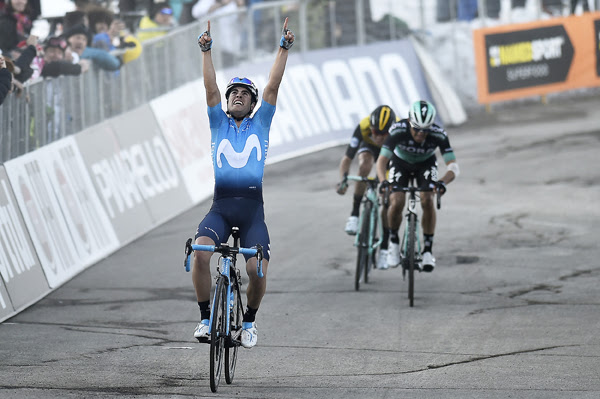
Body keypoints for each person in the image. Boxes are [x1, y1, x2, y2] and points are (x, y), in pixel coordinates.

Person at [192, 18, 294, 348]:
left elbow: (272, 88)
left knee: (257, 269)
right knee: (200, 254)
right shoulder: (217, 122)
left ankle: (249, 322)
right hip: (220, 208)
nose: (237, 96)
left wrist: (283, 48)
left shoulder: (260, 123)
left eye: (243, 94)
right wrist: (206, 51)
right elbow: (210, 89)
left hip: (252, 212)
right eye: (232, 92)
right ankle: (206, 318)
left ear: (251, 105)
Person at [376, 100, 459, 272]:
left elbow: (454, 166)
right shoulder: (398, 130)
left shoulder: (439, 134)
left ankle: (427, 251)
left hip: (425, 165)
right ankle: (393, 242)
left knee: (427, 199)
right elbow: (382, 161)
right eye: (416, 129)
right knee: (397, 200)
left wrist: (442, 182)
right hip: (400, 163)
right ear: (409, 122)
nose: (421, 134)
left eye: (425, 130)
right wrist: (384, 181)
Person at [336, 105, 396, 270]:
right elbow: (347, 158)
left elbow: (400, 164)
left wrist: (388, 182)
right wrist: (343, 181)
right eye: (375, 132)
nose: (378, 137)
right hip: (368, 149)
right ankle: (354, 215)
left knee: (388, 199)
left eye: (383, 134)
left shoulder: (398, 131)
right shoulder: (363, 126)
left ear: (390, 132)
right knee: (364, 165)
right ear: (371, 128)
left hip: (390, 153)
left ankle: (384, 247)